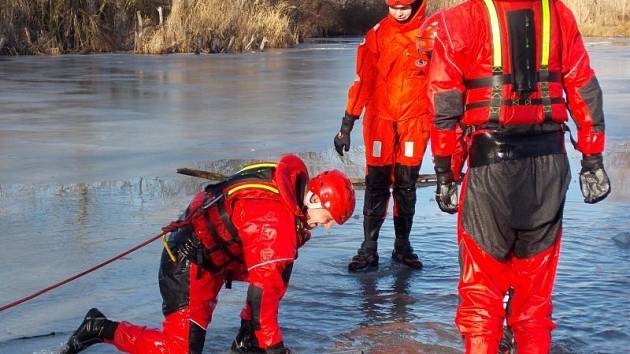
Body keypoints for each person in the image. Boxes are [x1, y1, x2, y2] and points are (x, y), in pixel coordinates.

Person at [427, 0, 611, 353]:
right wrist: (592, 157)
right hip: (549, 169)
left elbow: (443, 106)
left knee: (481, 298)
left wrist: (446, 173)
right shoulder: (558, 14)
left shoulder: (459, 20)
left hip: (490, 169)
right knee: (534, 303)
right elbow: (584, 85)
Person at [61, 154, 356, 354]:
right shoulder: (274, 222)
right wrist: (275, 347)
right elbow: (261, 297)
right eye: (328, 218)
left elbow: (269, 281)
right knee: (179, 350)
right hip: (188, 261)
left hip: (217, 260)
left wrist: (252, 333)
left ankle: (245, 339)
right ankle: (98, 328)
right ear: (315, 197)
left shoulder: (289, 196)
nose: (326, 227)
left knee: (280, 267)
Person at [334, 0, 430, 272]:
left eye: (404, 7)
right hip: (379, 121)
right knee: (376, 183)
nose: (399, 12)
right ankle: (368, 249)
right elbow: (362, 81)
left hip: (416, 120)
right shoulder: (376, 35)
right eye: (393, 6)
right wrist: (347, 124)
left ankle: (403, 246)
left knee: (406, 184)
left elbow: (444, 82)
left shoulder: (432, 35)